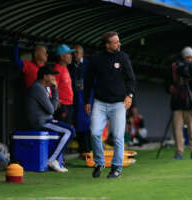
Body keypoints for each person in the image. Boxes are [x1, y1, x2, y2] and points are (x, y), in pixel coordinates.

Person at [84, 32, 136, 178]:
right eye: (115, 42)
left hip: (119, 104)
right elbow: (88, 81)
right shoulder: (96, 59)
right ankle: (100, 163)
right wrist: (87, 100)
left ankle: (116, 168)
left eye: (118, 41)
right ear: (107, 45)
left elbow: (131, 79)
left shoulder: (123, 57)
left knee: (118, 137)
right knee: (94, 133)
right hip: (99, 103)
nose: (119, 44)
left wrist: (129, 96)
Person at [25, 66, 75, 173]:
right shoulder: (37, 87)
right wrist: (56, 90)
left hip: (47, 120)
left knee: (69, 129)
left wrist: (55, 91)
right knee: (69, 131)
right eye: (51, 75)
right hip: (40, 122)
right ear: (45, 76)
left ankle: (56, 160)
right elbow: (52, 109)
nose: (54, 77)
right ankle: (52, 160)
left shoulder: (44, 87)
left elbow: (53, 108)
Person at [167, 46, 192, 160]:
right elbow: (167, 82)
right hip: (177, 103)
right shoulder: (175, 67)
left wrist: (191, 79)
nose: (189, 60)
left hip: (191, 102)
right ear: (183, 57)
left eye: (191, 57)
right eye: (187, 57)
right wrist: (170, 88)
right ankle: (179, 153)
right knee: (177, 130)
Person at [68, 45, 93, 156]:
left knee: (87, 124)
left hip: (86, 99)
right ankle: (82, 150)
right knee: (77, 124)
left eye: (77, 52)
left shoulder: (88, 65)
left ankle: (89, 150)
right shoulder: (71, 67)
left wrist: (90, 100)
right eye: (73, 53)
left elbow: (94, 83)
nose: (75, 55)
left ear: (82, 53)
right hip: (75, 99)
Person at [53, 44, 75, 124]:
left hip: (69, 104)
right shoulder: (57, 69)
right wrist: (57, 101)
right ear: (62, 56)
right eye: (68, 54)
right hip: (62, 105)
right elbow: (52, 87)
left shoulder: (65, 68)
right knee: (62, 129)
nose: (71, 56)